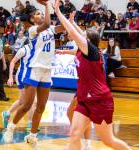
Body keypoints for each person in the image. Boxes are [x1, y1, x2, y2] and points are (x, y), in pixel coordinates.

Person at [54, 0, 131, 150]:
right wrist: (72, 20)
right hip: (84, 99)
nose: (81, 35)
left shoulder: (92, 51)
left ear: (88, 40)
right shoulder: (83, 50)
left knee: (109, 141)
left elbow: (74, 33)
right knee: (74, 134)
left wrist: (58, 13)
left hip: (99, 101)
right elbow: (78, 33)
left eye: (84, 35)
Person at [3, 1, 64, 149]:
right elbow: (47, 24)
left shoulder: (50, 29)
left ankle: (32, 136)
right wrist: (47, 5)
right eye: (37, 14)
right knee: (26, 105)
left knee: (41, 107)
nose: (40, 15)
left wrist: (60, 12)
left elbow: (63, 27)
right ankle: (11, 127)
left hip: (47, 71)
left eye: (40, 13)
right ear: (31, 20)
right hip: (34, 69)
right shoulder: (33, 30)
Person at [2, 40, 38, 130]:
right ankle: (30, 124)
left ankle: (7, 113)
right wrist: (10, 77)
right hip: (22, 76)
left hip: (31, 76)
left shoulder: (38, 50)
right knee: (32, 101)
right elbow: (13, 62)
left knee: (22, 101)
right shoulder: (23, 50)